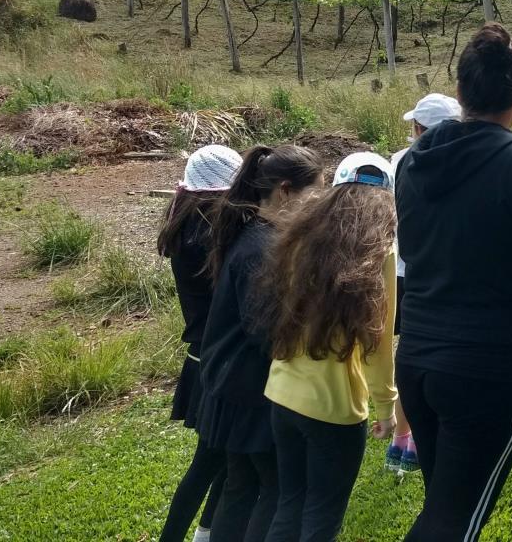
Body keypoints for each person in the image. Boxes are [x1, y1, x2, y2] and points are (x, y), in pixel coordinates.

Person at [393, 23, 512, 542]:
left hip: (419, 358)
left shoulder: (413, 162)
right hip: (487, 366)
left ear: (459, 92)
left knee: (443, 505)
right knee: (456, 522)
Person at [259, 152, 399, 542]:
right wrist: (386, 406)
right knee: (323, 515)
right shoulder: (380, 251)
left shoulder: (297, 233)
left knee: (290, 505)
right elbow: (377, 341)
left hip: (281, 394)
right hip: (334, 408)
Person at [194, 146, 324, 542]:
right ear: (285, 192)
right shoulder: (263, 250)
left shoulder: (254, 233)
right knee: (275, 490)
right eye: (314, 198)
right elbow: (265, 330)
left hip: (231, 388)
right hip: (250, 392)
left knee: (242, 487)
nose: (317, 209)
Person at [158, 144, 243, 542]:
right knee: (209, 461)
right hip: (218, 360)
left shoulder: (186, 221)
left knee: (226, 458)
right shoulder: (207, 235)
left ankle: (205, 533)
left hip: (204, 356)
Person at [386, 93, 462, 474]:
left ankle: (402, 439)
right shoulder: (468, 163)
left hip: (403, 269)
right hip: (448, 270)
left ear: (417, 129)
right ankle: (426, 437)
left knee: (408, 351)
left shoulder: (399, 161)